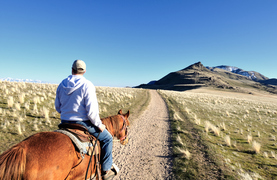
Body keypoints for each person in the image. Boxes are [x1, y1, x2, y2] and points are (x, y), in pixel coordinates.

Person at [55, 60, 117, 180]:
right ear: (84, 71)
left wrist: (67, 115)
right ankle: (106, 170)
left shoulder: (61, 84)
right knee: (108, 138)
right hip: (83, 124)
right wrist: (99, 125)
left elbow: (58, 107)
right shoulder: (87, 85)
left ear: (72, 69)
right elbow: (92, 112)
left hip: (64, 123)